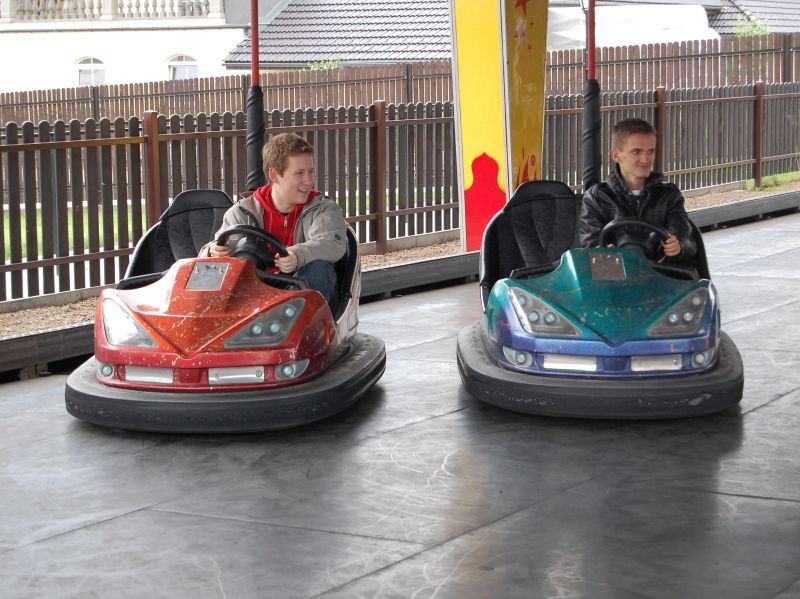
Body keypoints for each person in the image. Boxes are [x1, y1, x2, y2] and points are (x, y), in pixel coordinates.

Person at [200, 133, 347, 305]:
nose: (308, 181)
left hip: (300, 287)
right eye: (299, 173)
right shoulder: (242, 212)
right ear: (274, 175)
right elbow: (215, 249)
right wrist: (213, 251)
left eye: (310, 172)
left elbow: (332, 244)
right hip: (254, 294)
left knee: (319, 269)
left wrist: (298, 255)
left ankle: (293, 316)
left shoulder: (323, 209)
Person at [579, 118, 696, 260]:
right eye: (636, 152)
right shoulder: (597, 198)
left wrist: (679, 246)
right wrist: (601, 250)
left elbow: (685, 238)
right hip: (615, 270)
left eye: (650, 151)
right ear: (616, 155)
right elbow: (590, 244)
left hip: (659, 269)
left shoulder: (668, 195)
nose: (646, 159)